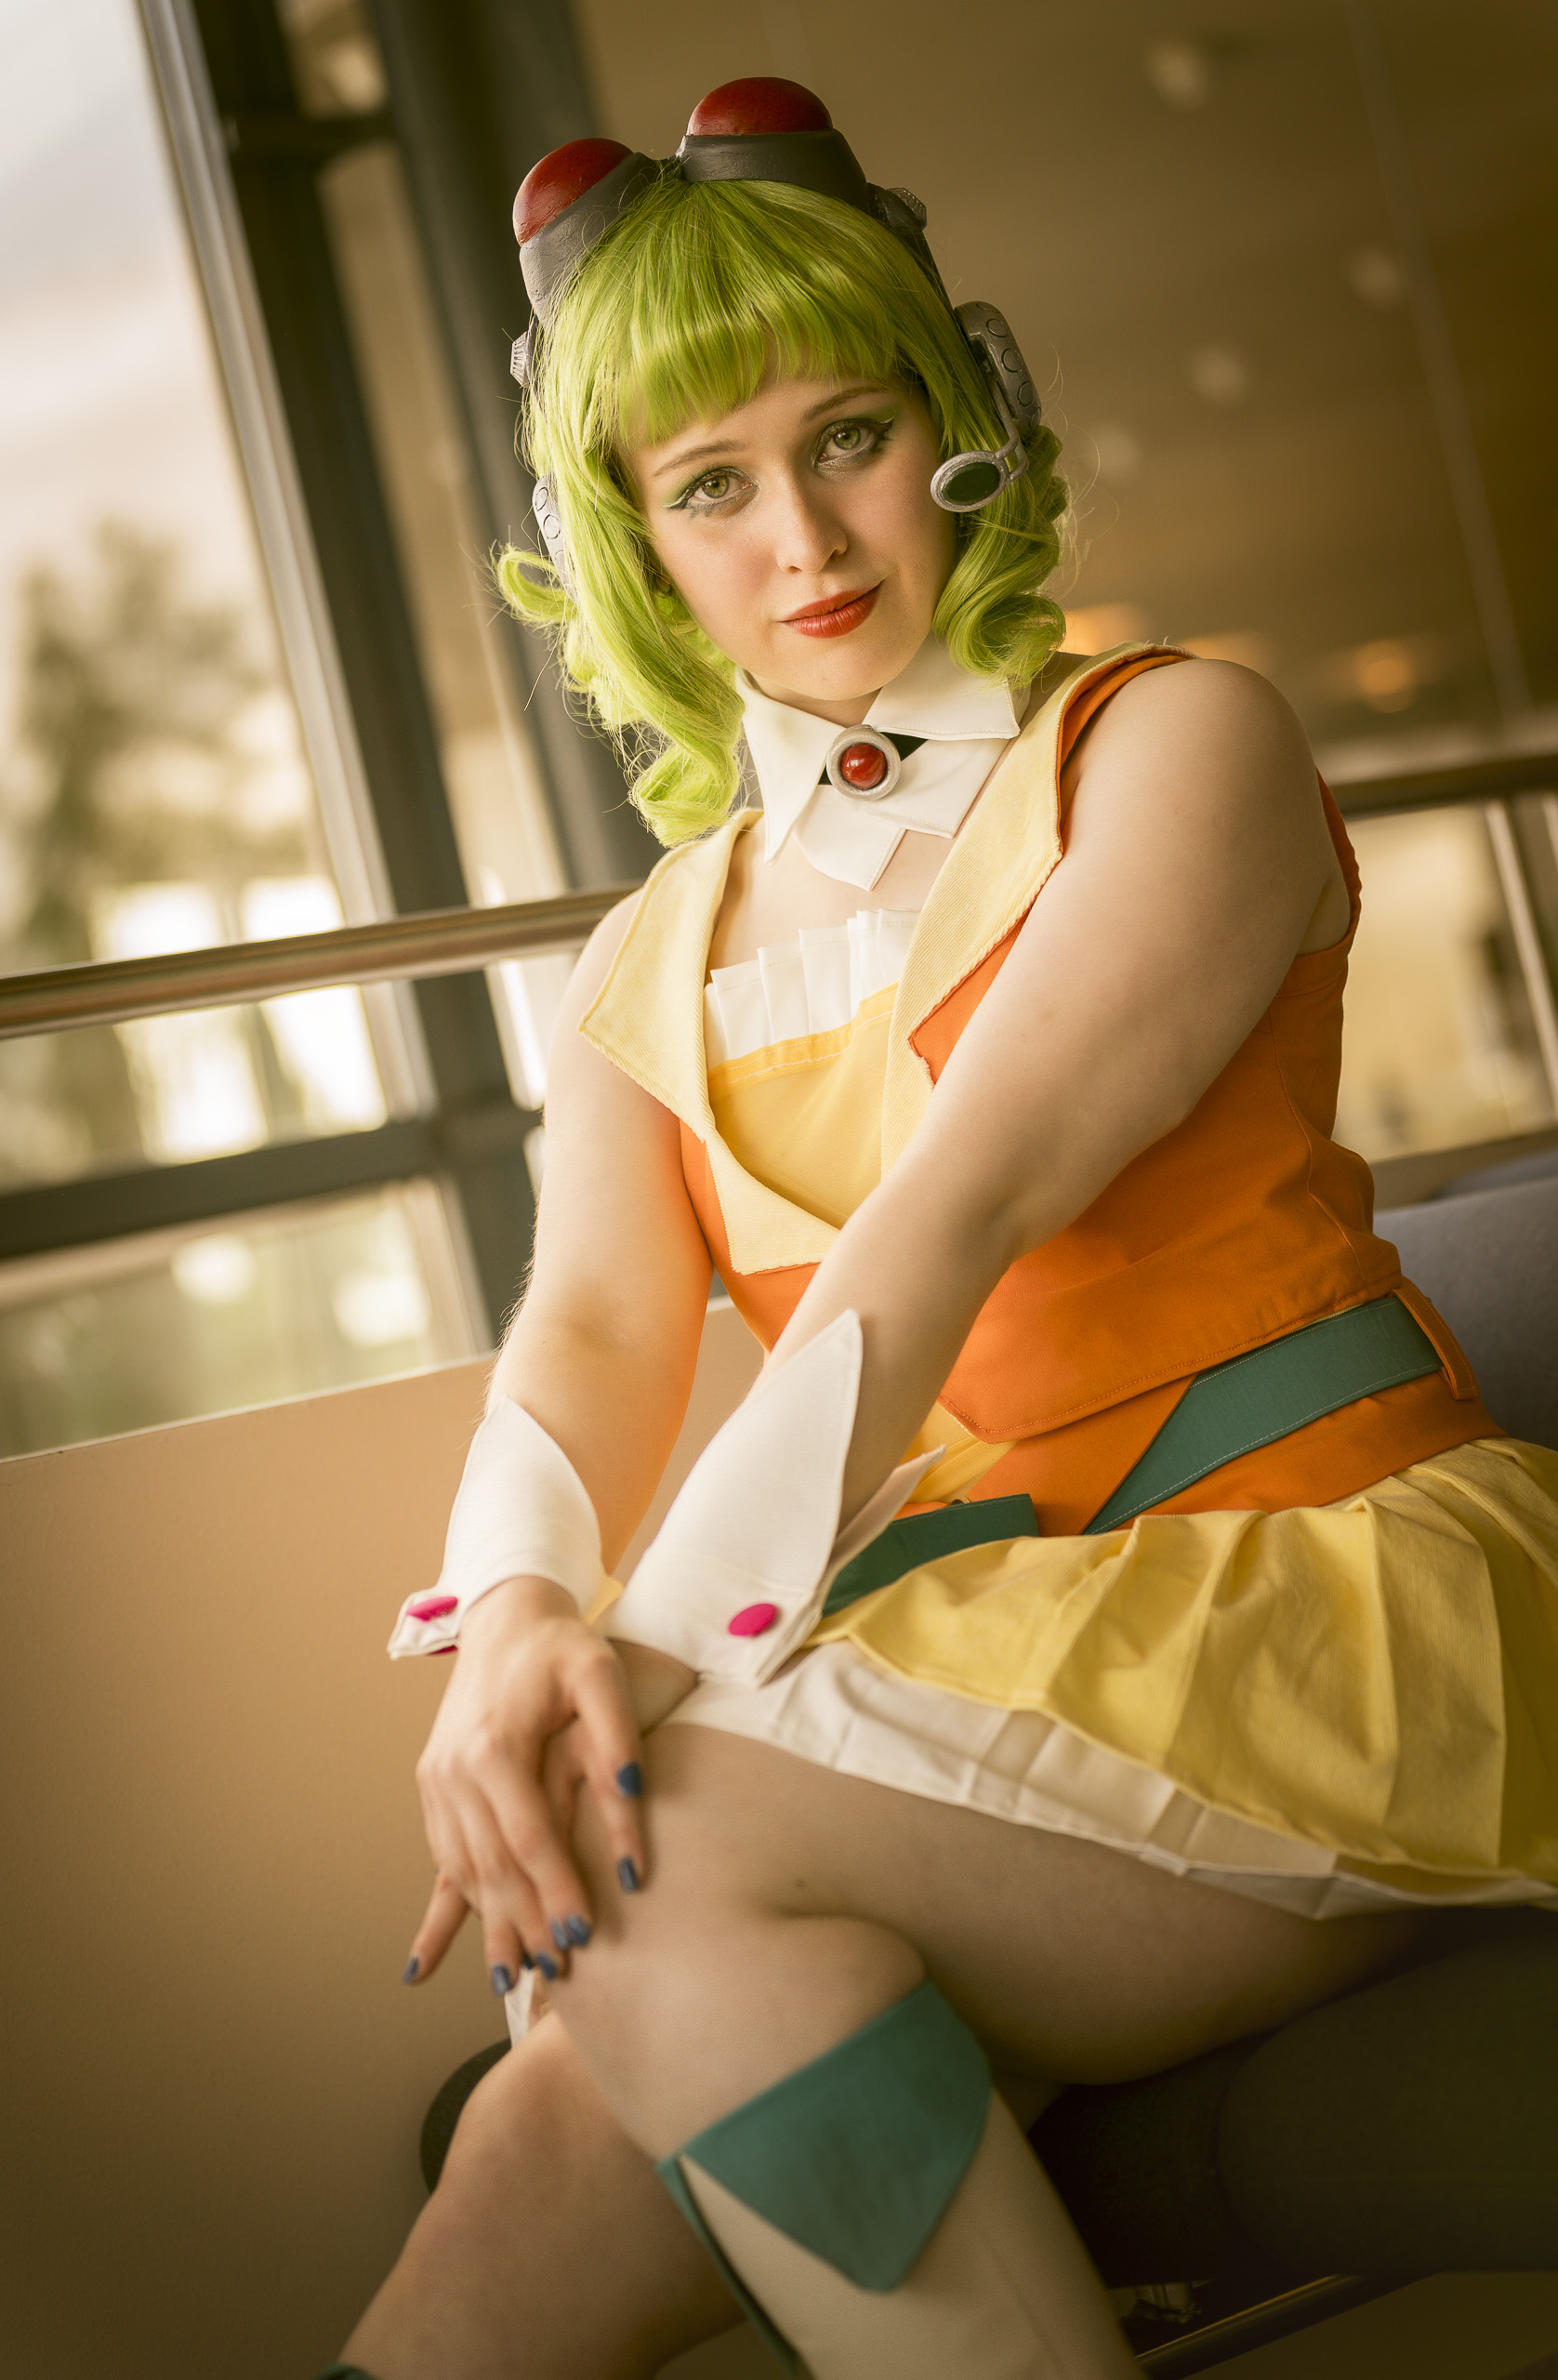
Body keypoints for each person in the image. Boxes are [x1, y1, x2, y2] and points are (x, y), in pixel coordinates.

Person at [324, 78, 1558, 2380]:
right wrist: (508, 1628)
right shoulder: (643, 951)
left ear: (960, 414)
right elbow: (586, 1331)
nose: (802, 534)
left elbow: (956, 1203)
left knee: (639, 1862)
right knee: (525, 2147)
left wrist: (631, 1672)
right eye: (710, 483)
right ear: (628, 544)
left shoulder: (1172, 742)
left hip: (1327, 1596)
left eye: (847, 435)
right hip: (987, 1645)